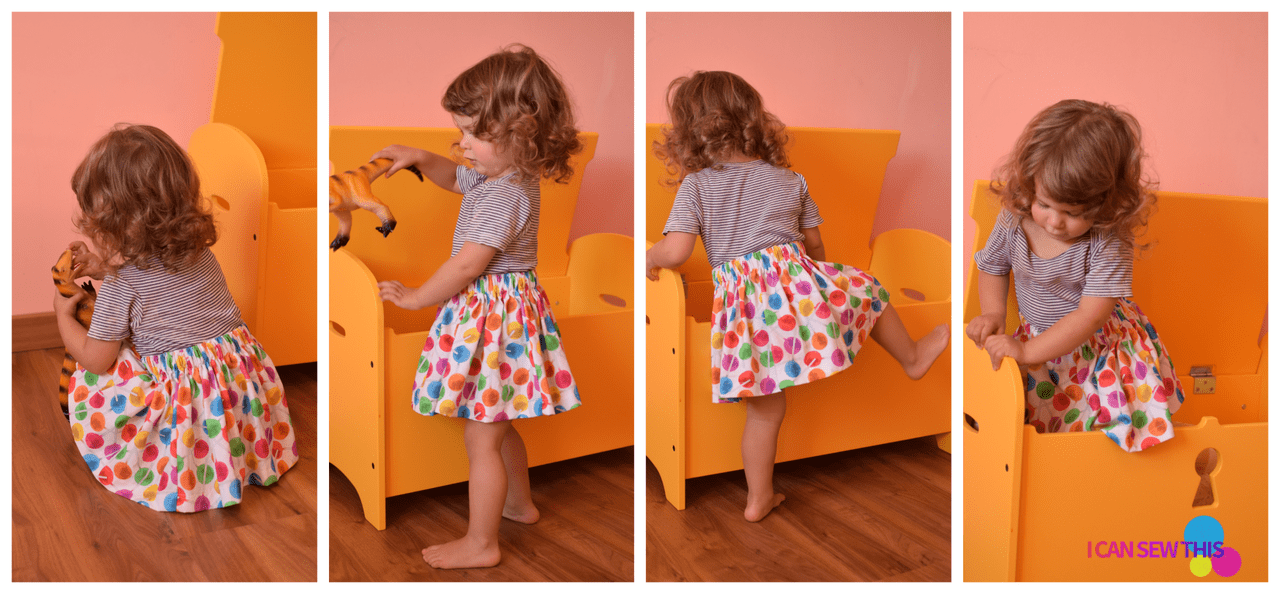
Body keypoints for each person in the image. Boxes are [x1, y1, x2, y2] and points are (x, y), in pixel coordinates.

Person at [645, 71, 949, 522]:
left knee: (765, 412)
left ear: (691, 134)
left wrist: (648, 258)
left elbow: (677, 250)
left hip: (744, 308)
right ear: (753, 121)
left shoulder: (697, 186)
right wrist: (823, 284)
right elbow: (816, 248)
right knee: (870, 288)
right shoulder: (790, 180)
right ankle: (911, 358)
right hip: (797, 291)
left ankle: (757, 498)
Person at [374, 45, 582, 569]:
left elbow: (468, 265)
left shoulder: (505, 194)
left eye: (474, 135)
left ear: (522, 137)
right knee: (499, 421)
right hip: (501, 314)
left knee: (481, 437)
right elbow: (457, 178)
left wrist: (418, 297)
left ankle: (482, 542)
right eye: (461, 131)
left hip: (496, 316)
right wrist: (420, 158)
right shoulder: (501, 177)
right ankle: (518, 504)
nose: (462, 144)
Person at [53, 123, 297, 512]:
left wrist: (63, 317)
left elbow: (97, 357)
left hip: (184, 400)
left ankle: (177, 458)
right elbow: (155, 283)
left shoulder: (121, 285)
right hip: (235, 379)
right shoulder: (198, 251)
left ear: (118, 225)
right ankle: (240, 451)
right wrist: (105, 267)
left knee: (96, 373)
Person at [966, 99, 1184, 452]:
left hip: (1097, 346)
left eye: (1071, 212)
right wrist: (993, 314)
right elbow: (992, 265)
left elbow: (1090, 315)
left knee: (1104, 432)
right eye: (1045, 204)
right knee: (1035, 423)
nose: (1054, 221)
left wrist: (1026, 350)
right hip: (1038, 338)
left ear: (1105, 204)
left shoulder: (1106, 241)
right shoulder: (1013, 220)